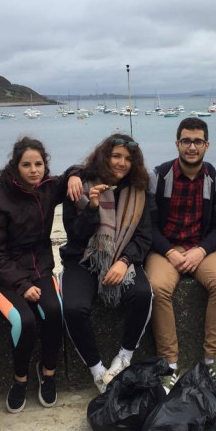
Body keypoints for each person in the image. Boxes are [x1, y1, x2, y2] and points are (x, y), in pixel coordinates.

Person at [0, 137, 81, 412]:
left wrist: (74, 175)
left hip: (40, 269)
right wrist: (22, 284)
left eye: (39, 164)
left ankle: (48, 373)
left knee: (55, 312)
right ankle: (20, 379)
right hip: (2, 276)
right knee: (24, 321)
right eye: (27, 165)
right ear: (16, 166)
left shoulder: (47, 188)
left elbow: (78, 169)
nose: (34, 170)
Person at [145, 117, 216, 393]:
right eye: (186, 141)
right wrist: (169, 251)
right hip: (165, 248)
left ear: (207, 145)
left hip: (201, 247)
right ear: (177, 144)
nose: (192, 147)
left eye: (197, 141)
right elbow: (148, 225)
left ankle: (212, 359)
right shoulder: (158, 177)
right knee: (157, 287)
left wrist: (201, 251)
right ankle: (169, 363)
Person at [60, 133, 154, 393]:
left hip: (123, 256)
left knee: (143, 294)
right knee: (74, 308)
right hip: (83, 259)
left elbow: (144, 236)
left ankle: (124, 357)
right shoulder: (79, 187)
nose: (122, 163)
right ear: (104, 157)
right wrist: (92, 208)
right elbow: (75, 234)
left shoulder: (139, 192)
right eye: (116, 156)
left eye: (128, 158)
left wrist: (124, 261)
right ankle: (98, 371)